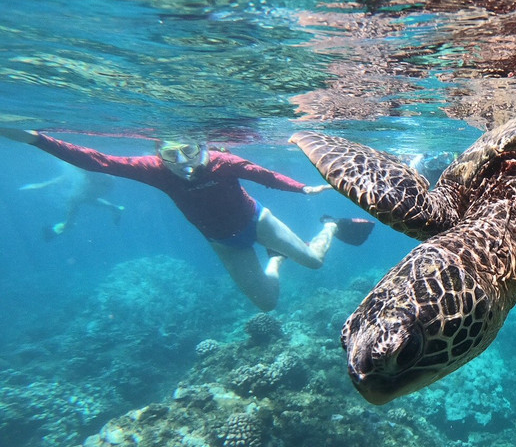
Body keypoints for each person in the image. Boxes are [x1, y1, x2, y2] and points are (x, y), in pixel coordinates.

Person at [1, 129, 372, 311]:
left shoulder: (223, 162)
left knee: (314, 261)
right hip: (224, 242)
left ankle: (330, 225)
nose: (182, 162)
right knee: (268, 304)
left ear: (203, 148)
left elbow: (262, 175)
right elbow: (95, 160)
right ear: (158, 153)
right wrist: (33, 138)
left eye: (189, 151)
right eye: (170, 153)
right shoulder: (154, 171)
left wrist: (301, 190)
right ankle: (276, 258)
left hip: (257, 220)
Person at [19, 163, 125, 239]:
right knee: (82, 197)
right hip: (104, 182)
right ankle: (115, 208)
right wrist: (43, 185)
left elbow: (66, 177)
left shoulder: (76, 161)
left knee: (74, 198)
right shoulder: (75, 162)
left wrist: (41, 185)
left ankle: (68, 224)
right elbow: (67, 176)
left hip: (102, 182)